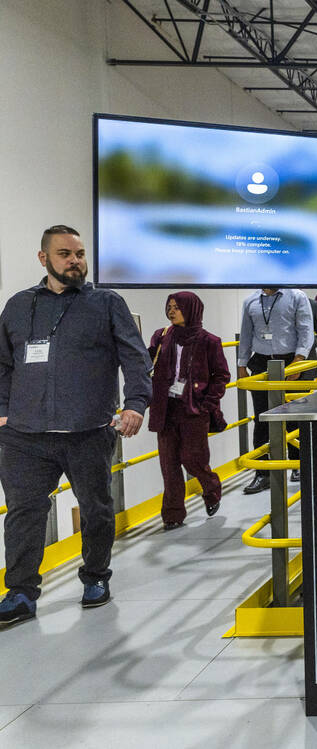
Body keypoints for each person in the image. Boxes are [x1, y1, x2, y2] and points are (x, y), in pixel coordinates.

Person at [0, 225, 151, 627]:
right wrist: (2, 411)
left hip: (87, 430)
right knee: (23, 512)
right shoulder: (18, 306)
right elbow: (2, 365)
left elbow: (136, 359)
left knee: (97, 510)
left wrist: (136, 403)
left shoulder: (106, 303)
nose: (75, 261)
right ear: (43, 258)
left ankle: (96, 577)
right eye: (65, 254)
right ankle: (20, 592)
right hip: (24, 436)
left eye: (80, 254)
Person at [147, 293, 229, 530]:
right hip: (166, 407)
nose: (171, 312)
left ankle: (211, 488)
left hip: (194, 409)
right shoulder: (161, 337)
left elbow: (221, 376)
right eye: (169, 307)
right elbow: (147, 361)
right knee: (168, 464)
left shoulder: (209, 341)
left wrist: (207, 404)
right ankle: (172, 515)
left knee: (193, 459)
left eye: (177, 307)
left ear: (191, 309)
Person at [236, 287, 313, 494]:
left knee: (294, 416)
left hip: (290, 361)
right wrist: (242, 364)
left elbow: (306, 329)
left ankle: (298, 463)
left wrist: (299, 360)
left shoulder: (296, 296)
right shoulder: (250, 301)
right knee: (261, 418)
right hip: (261, 364)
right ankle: (263, 473)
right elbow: (246, 333)